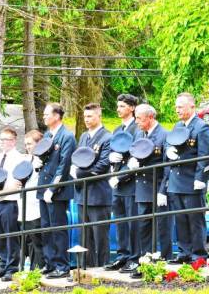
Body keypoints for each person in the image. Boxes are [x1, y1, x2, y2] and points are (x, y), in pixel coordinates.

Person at [161, 92, 209, 264]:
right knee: (181, 220)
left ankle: (198, 255)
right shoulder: (178, 125)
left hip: (192, 181)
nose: (177, 110)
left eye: (180, 107)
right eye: (176, 107)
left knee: (195, 220)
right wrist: (168, 149)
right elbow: (169, 141)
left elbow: (206, 155)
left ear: (192, 106)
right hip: (176, 181)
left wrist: (201, 178)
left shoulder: (201, 127)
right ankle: (184, 252)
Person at [130, 103, 174, 279]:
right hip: (142, 188)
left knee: (162, 227)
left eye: (139, 118)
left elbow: (167, 165)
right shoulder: (139, 133)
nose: (137, 121)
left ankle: (163, 262)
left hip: (157, 188)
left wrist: (163, 189)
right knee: (144, 228)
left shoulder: (164, 135)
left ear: (150, 117)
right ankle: (146, 263)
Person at [36, 102, 76, 279]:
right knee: (46, 227)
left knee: (58, 228)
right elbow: (45, 159)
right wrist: (37, 165)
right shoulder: (47, 134)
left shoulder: (67, 136)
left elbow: (64, 165)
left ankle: (62, 264)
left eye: (47, 114)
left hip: (57, 192)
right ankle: (50, 262)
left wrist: (53, 189)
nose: (44, 117)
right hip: (43, 186)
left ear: (57, 116)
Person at [71, 103, 113, 268]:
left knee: (100, 236)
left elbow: (102, 166)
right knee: (84, 236)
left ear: (98, 116)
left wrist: (79, 173)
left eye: (90, 116)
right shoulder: (83, 137)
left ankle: (102, 268)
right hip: (83, 194)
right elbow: (78, 159)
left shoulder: (107, 138)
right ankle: (85, 269)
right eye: (85, 116)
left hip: (99, 195)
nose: (86, 120)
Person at [105, 94, 140, 273]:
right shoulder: (118, 129)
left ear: (132, 108)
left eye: (122, 106)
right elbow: (113, 149)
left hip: (131, 182)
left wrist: (121, 175)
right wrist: (112, 161)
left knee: (132, 222)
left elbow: (136, 155)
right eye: (117, 106)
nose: (118, 109)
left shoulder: (137, 128)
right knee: (120, 222)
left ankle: (134, 257)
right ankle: (123, 255)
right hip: (116, 183)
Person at [0, 127, 26, 282]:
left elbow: (17, 182)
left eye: (6, 139)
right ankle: (2, 265)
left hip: (10, 201)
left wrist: (2, 194)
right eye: (1, 139)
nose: (3, 143)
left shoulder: (19, 158)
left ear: (14, 141)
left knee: (10, 235)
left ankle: (12, 267)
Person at [20, 130, 44, 270]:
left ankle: (38, 268)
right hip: (24, 205)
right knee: (26, 240)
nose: (27, 147)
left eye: (30, 144)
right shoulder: (25, 160)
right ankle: (29, 268)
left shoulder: (41, 160)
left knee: (37, 240)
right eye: (26, 144)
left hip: (36, 205)